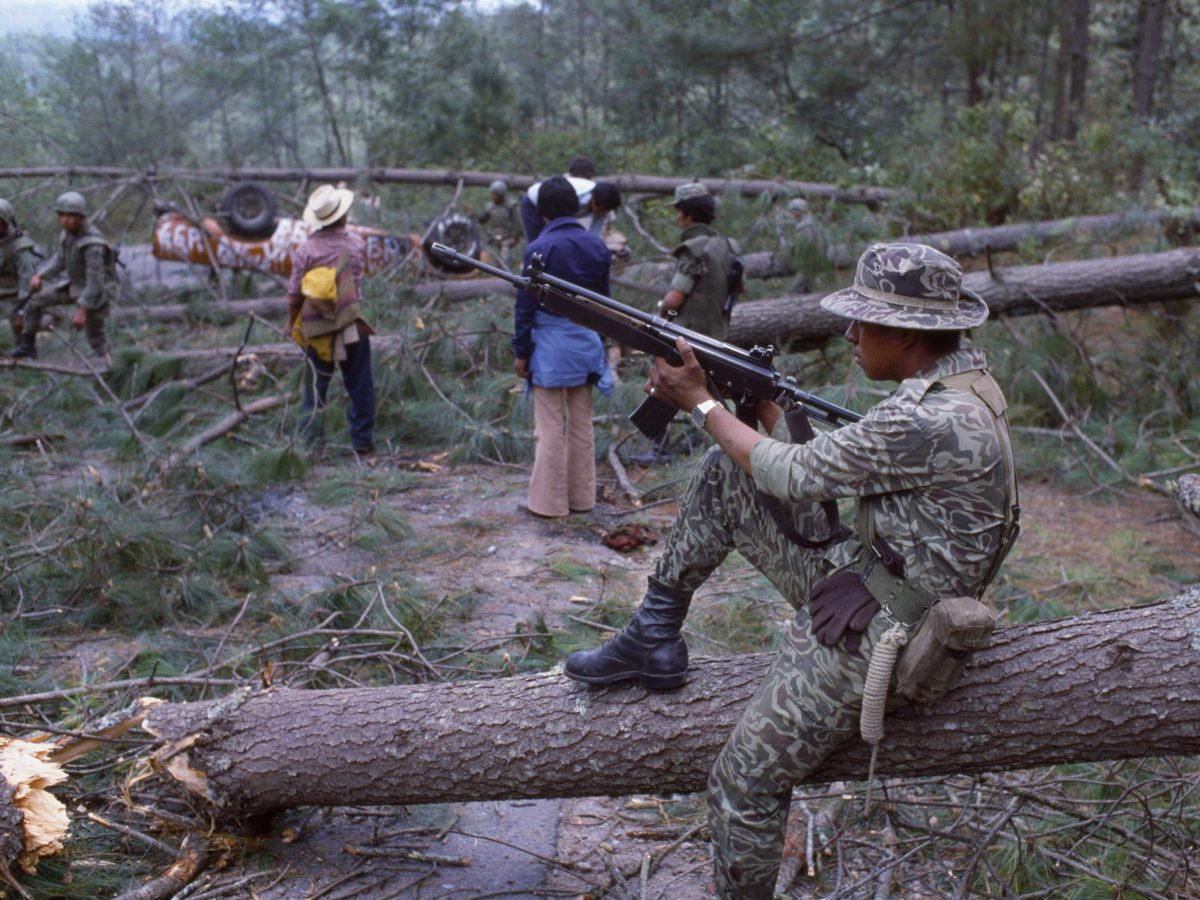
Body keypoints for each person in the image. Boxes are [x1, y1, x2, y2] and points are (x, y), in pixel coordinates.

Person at [565, 242, 1019, 897]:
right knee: (730, 472)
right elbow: (835, 467)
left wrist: (700, 403)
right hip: (884, 581)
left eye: (867, 322)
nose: (852, 333)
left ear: (912, 334)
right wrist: (759, 406)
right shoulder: (965, 390)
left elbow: (795, 473)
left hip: (893, 625)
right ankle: (655, 632)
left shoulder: (926, 418)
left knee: (742, 782)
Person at [513, 175, 613, 517]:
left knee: (550, 426)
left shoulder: (539, 247)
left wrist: (521, 351)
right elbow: (606, 304)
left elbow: (525, 307)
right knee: (582, 423)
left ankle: (549, 504)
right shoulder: (597, 245)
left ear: (542, 212)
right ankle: (583, 499)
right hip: (587, 343)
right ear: (575, 205)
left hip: (550, 347)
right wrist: (604, 346)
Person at [630, 181, 740, 465]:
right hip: (717, 334)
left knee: (662, 386)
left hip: (685, 336)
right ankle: (700, 441)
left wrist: (660, 308)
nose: (677, 217)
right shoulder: (728, 245)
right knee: (703, 391)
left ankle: (662, 449)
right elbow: (739, 289)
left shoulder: (694, 248)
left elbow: (675, 298)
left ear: (687, 214)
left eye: (678, 211)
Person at [288, 184, 376, 455]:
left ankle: (312, 445)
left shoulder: (305, 251)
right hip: (350, 323)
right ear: (344, 216)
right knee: (360, 384)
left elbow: (294, 295)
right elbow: (360, 280)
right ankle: (361, 441)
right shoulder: (356, 244)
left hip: (317, 329)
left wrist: (293, 325)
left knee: (315, 388)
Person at [16, 191, 118, 360]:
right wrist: (40, 276)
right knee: (35, 301)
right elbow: (60, 260)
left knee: (96, 336)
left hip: (97, 293)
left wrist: (82, 311)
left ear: (80, 217)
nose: (65, 220)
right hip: (76, 285)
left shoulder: (92, 244)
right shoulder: (68, 235)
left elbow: (95, 283)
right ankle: (27, 345)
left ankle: (111, 368)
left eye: (70, 216)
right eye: (61, 215)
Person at [519, 155, 596, 243]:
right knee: (537, 243)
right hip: (532, 204)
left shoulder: (584, 192)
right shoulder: (578, 190)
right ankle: (538, 257)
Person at [0, 199, 40, 347]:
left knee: (18, 339)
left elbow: (27, 281)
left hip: (15, 297)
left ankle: (22, 362)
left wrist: (21, 311)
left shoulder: (20, 248)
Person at [477, 179, 521, 269]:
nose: (492, 196)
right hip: (492, 236)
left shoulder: (510, 205)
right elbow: (483, 219)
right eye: (492, 194)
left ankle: (503, 273)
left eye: (495, 194)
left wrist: (514, 236)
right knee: (485, 255)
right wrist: (474, 215)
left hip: (506, 236)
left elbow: (516, 222)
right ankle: (484, 270)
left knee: (504, 260)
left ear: (501, 194)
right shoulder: (490, 206)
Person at [578, 181, 628, 258]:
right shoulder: (577, 198)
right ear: (593, 199)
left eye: (606, 211)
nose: (601, 214)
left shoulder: (604, 205)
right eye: (601, 210)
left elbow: (594, 235)